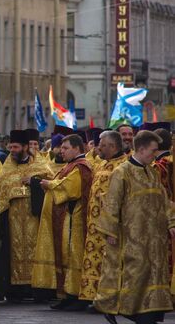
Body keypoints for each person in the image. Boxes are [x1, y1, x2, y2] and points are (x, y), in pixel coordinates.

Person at [94, 130, 175, 324]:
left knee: (153, 274)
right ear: (141, 149)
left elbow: (164, 200)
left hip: (155, 237)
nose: (155, 155)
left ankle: (150, 313)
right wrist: (110, 230)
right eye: (153, 151)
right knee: (135, 275)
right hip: (132, 236)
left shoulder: (152, 171)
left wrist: (172, 222)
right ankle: (131, 311)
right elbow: (111, 202)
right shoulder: (122, 172)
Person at [32, 134, 93, 311]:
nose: (61, 151)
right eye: (62, 148)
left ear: (77, 148)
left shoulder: (82, 166)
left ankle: (76, 296)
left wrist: (49, 184)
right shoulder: (71, 165)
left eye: (65, 148)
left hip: (75, 221)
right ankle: (66, 294)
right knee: (65, 256)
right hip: (66, 219)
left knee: (73, 257)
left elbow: (71, 189)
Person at [0, 130, 53, 302]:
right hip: (13, 217)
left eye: (15, 147)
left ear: (24, 147)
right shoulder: (7, 166)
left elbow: (50, 183)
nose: (12, 150)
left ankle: (35, 287)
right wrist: (14, 192)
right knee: (13, 251)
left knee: (35, 249)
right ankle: (16, 289)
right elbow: (2, 188)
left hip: (34, 217)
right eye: (10, 146)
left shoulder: (40, 165)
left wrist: (34, 182)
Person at [79, 130, 126, 305]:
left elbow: (124, 195)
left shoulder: (123, 165)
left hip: (111, 227)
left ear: (112, 146)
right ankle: (95, 297)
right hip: (94, 226)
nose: (99, 147)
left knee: (111, 263)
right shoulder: (103, 164)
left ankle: (112, 299)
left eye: (102, 144)